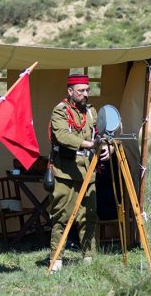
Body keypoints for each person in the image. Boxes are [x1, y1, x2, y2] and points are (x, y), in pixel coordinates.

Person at [49, 74, 112, 273]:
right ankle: (56, 259)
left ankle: (89, 257)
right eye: (81, 91)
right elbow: (62, 136)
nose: (85, 94)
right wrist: (89, 144)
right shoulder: (60, 111)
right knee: (61, 216)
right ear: (70, 92)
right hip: (66, 172)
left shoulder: (92, 112)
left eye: (87, 90)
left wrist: (107, 147)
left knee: (89, 216)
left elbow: (102, 134)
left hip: (88, 171)